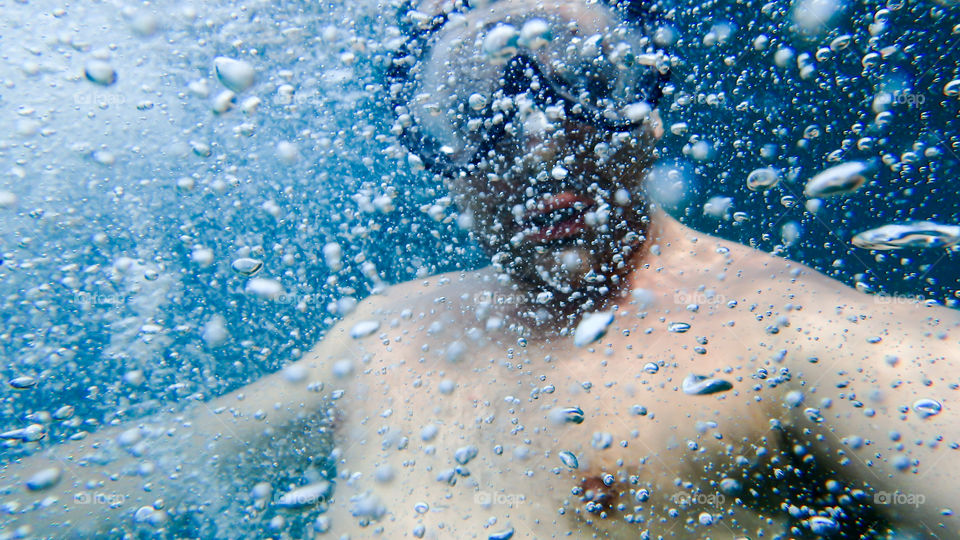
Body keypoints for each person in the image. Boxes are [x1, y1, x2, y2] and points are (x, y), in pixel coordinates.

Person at [3, 0, 959, 538]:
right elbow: (156, 462)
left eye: (584, 76)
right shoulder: (393, 332)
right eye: (482, 99)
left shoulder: (802, 338)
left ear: (650, 107)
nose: (542, 134)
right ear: (437, 155)